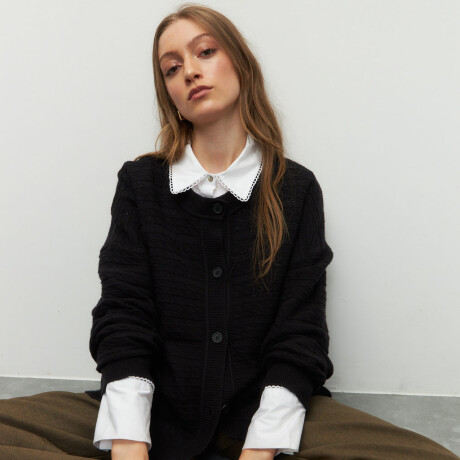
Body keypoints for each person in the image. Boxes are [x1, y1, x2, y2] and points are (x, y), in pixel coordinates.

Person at [0, 4, 459, 460]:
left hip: (264, 416)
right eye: (172, 68)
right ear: (169, 95)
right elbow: (124, 315)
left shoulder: (296, 189)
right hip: (155, 413)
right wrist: (129, 443)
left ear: (241, 63)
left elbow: (300, 335)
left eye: (205, 52)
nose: (189, 72)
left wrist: (260, 448)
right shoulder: (141, 184)